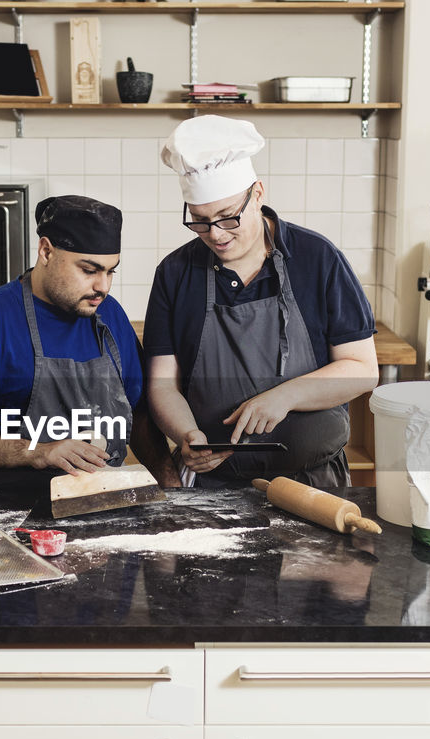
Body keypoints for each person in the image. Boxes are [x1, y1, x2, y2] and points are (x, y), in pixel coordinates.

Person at [144, 115, 379, 488]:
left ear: (257, 195)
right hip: (213, 489)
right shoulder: (175, 274)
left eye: (227, 217)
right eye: (200, 221)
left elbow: (363, 368)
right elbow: (161, 385)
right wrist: (187, 434)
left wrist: (285, 396)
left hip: (313, 486)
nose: (216, 235)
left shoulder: (317, 259)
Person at [0, 195, 176, 490]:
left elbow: (141, 416)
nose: (103, 287)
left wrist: (173, 489)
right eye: (89, 270)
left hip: (101, 505)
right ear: (46, 251)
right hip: (11, 509)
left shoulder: (111, 316)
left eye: (111, 271)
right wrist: (39, 451)